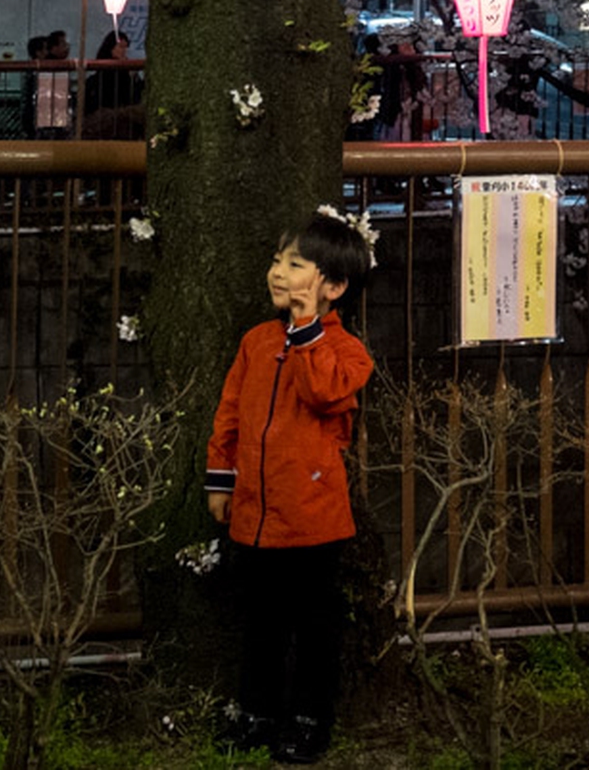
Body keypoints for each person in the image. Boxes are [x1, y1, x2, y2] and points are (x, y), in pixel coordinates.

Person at [207, 209, 376, 764]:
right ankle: (256, 712)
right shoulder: (256, 342)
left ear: (334, 286)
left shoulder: (347, 353)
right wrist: (220, 480)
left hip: (312, 518)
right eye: (277, 260)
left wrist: (306, 331)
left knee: (314, 628)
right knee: (260, 621)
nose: (278, 272)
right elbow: (229, 415)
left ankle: (309, 719)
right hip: (254, 513)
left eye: (295, 263)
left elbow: (325, 391)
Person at [81, 29, 144, 139]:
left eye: (125, 48)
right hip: (107, 118)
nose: (124, 51)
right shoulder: (104, 73)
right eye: (120, 47)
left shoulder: (127, 72)